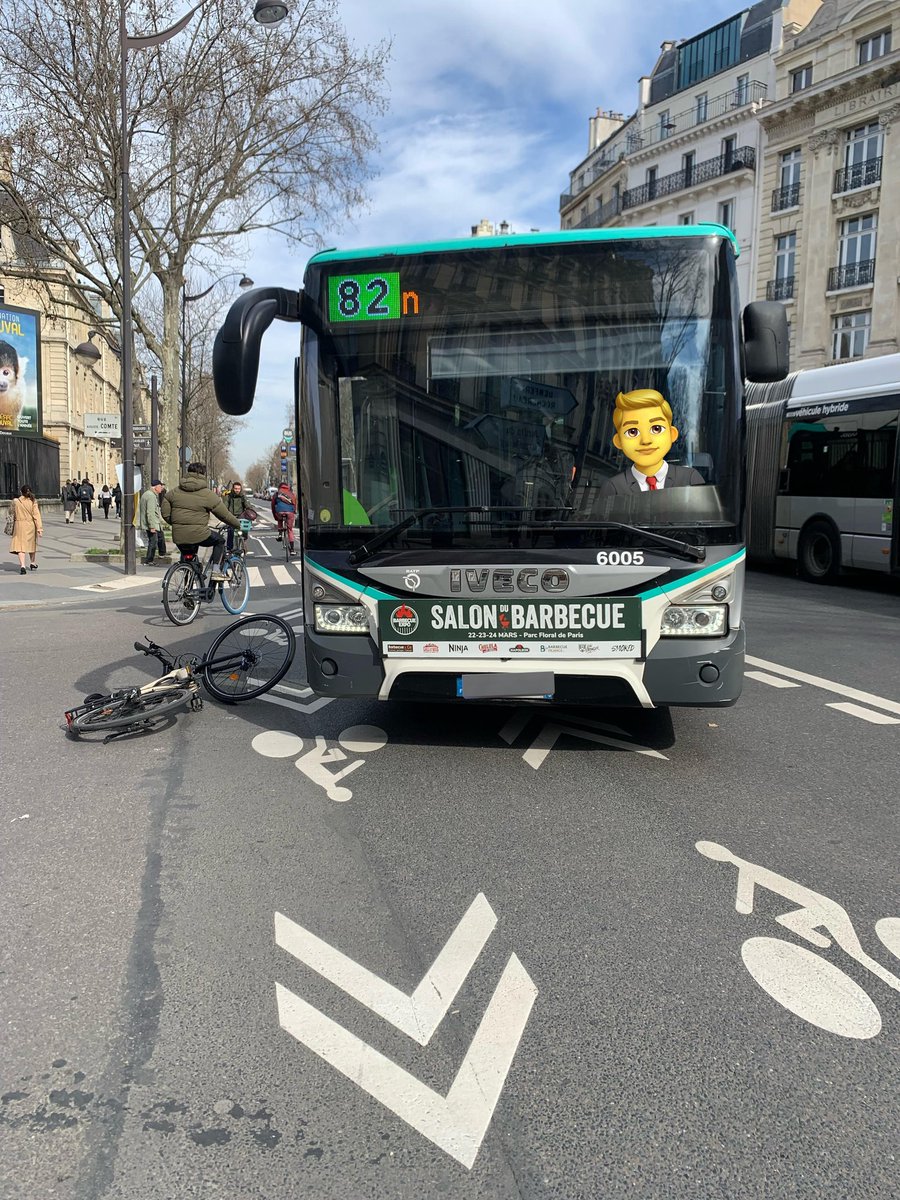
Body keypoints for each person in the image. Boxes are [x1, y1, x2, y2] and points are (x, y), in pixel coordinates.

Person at [599, 389, 705, 495]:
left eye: (656, 429)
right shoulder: (613, 487)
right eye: (632, 432)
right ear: (619, 441)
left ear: (672, 434)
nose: (646, 440)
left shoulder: (690, 479)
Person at [160, 461, 242, 580]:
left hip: (178, 534)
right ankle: (215, 571)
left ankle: (188, 587)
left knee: (189, 558)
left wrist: (176, 522)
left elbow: (165, 509)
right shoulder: (207, 494)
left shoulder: (174, 492)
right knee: (219, 541)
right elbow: (224, 515)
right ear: (203, 475)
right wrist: (237, 524)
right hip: (199, 534)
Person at [8, 485, 43, 574]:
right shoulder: (33, 501)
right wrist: (39, 528)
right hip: (30, 525)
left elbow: (11, 512)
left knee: (20, 547)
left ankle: (22, 566)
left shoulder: (16, 501)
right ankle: (32, 563)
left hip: (19, 525)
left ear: (21, 492)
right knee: (31, 545)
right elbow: (36, 515)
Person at [139, 479, 167, 566]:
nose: (161, 488)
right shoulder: (151, 496)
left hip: (155, 523)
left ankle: (162, 554)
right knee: (153, 542)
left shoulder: (148, 494)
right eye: (160, 486)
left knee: (160, 537)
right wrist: (152, 526)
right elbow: (150, 512)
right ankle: (149, 560)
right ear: (156, 487)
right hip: (152, 524)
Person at [223, 479, 254, 553]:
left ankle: (244, 541)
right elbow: (224, 507)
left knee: (245, 528)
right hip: (231, 517)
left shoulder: (243, 496)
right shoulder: (228, 496)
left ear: (241, 489)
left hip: (241, 516)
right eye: (236, 488)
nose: (237, 490)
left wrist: (251, 513)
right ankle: (229, 549)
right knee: (230, 531)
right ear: (233, 489)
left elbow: (248, 505)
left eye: (239, 489)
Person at [271, 481, 297, 555]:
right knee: (290, 530)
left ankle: (280, 534)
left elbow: (273, 505)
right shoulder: (291, 494)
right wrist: (294, 511)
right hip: (290, 512)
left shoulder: (277, 494)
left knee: (279, 518)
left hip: (279, 511)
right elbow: (295, 504)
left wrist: (275, 516)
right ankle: (292, 550)